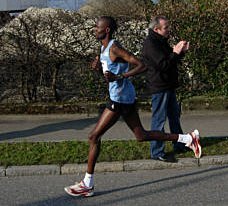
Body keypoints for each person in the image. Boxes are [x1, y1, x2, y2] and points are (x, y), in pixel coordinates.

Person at [64, 16, 201, 197]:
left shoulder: (114, 47)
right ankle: (187, 139)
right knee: (141, 136)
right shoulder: (104, 48)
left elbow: (142, 65)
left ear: (106, 30)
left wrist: (121, 77)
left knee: (94, 136)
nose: (94, 30)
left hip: (120, 99)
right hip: (121, 97)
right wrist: (99, 69)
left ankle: (87, 183)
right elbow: (111, 72)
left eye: (97, 27)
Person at [142, 15, 189, 162]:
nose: (168, 30)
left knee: (174, 116)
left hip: (167, 85)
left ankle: (180, 145)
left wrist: (180, 53)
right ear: (156, 29)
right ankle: (157, 151)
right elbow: (163, 65)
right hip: (159, 86)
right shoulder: (151, 44)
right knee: (159, 120)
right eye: (166, 28)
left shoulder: (160, 41)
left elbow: (171, 61)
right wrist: (175, 52)